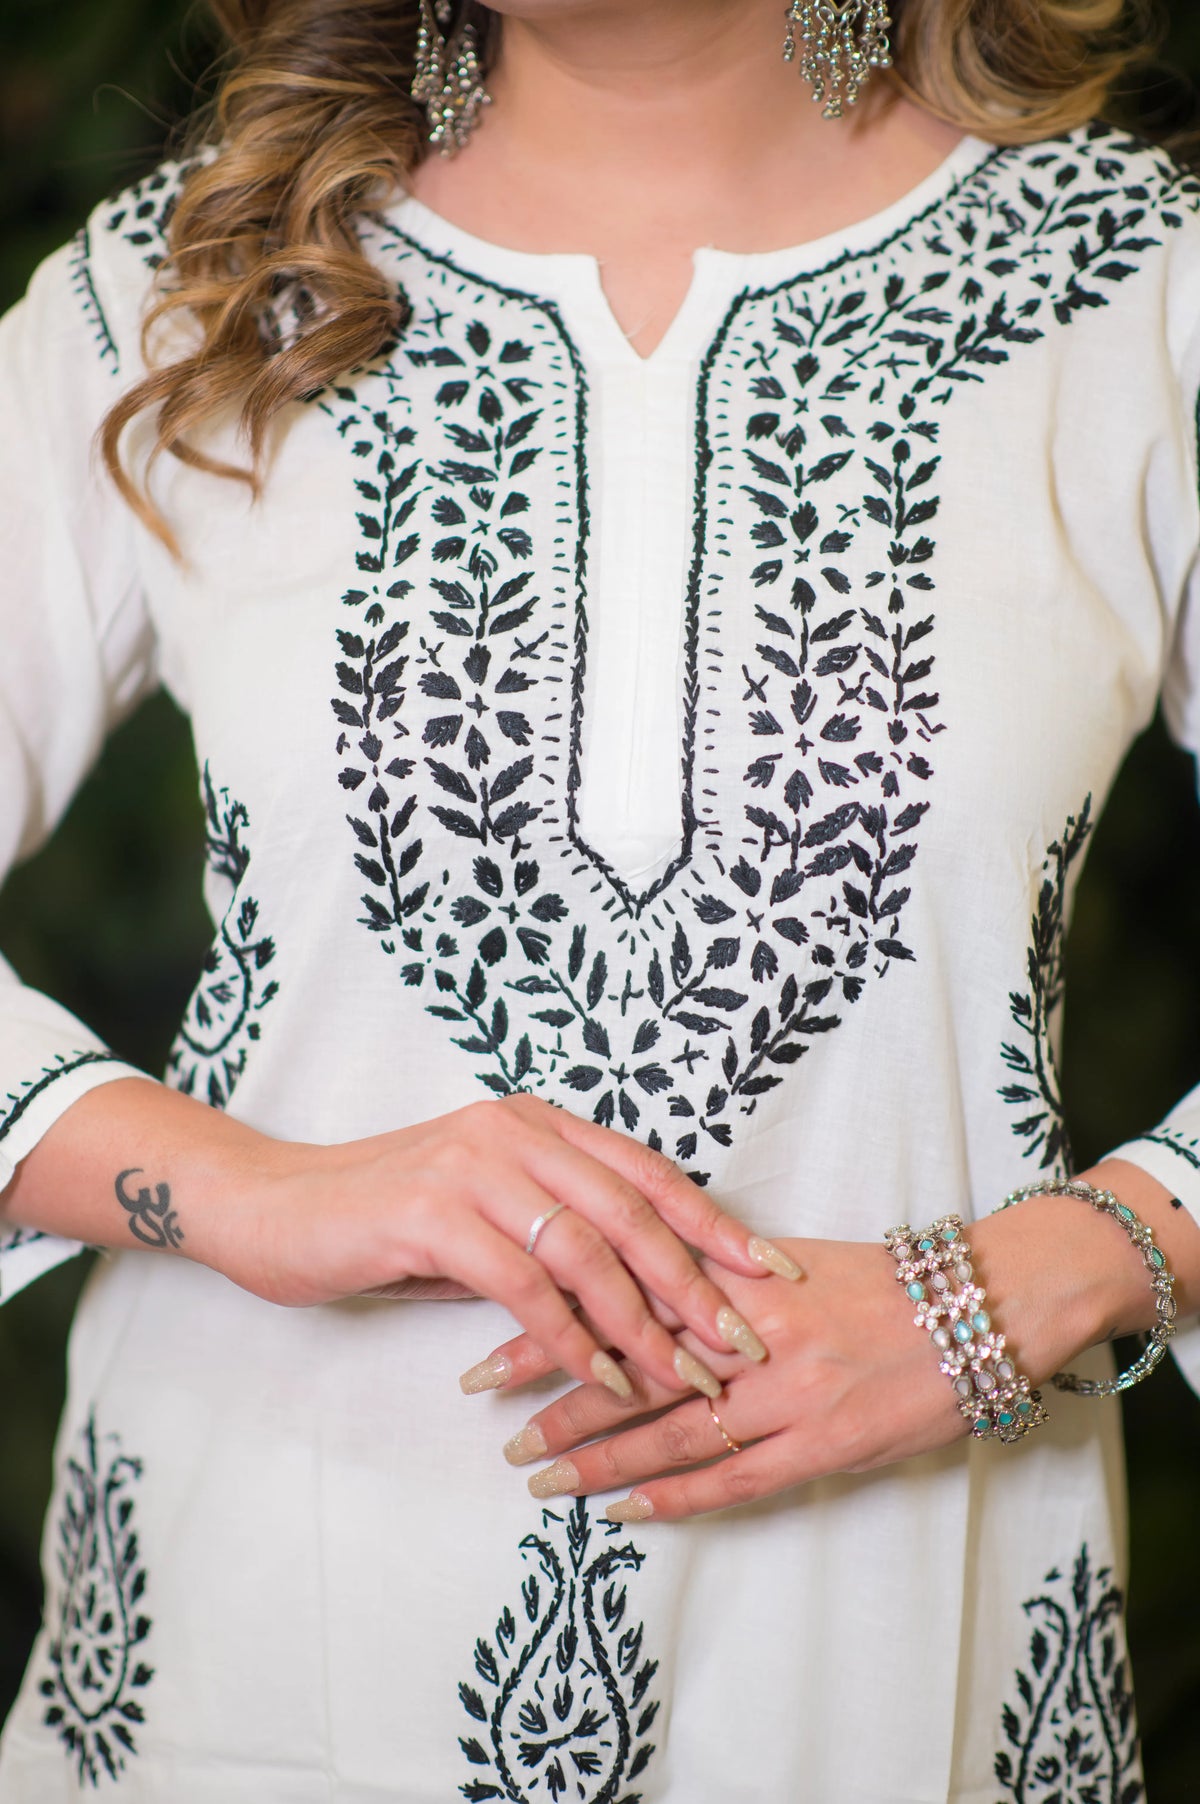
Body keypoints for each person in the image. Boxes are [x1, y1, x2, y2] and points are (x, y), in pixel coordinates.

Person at [1, 0, 1199, 1797]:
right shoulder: (190, 292)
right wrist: (247, 1184)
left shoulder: (1142, 292)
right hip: (261, 1651)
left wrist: (1038, 1281)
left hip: (891, 1657)